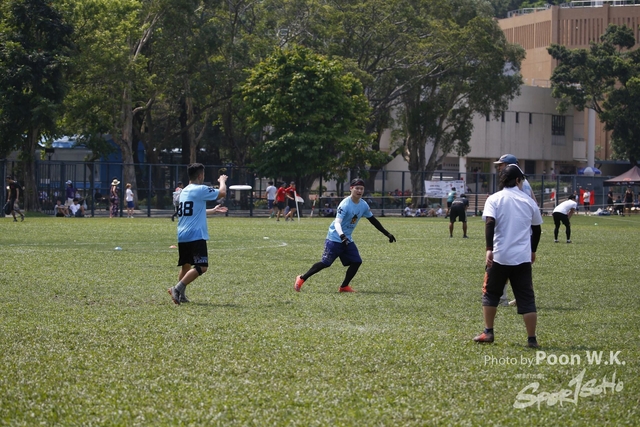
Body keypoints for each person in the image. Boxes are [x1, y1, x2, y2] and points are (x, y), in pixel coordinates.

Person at [474, 164, 543, 348]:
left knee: (490, 293)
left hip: (499, 256)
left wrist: (489, 248)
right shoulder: (529, 201)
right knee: (526, 298)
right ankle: (532, 339)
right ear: (518, 180)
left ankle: (488, 332)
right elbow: (537, 229)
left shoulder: (494, 199)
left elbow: (490, 222)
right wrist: (532, 250)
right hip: (522, 258)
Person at [294, 178, 396, 293]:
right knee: (325, 263)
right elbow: (337, 223)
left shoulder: (363, 205)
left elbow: (373, 220)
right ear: (351, 189)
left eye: (361, 189)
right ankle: (301, 278)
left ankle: (344, 287)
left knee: (356, 261)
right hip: (335, 237)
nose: (359, 191)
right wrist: (342, 236)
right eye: (357, 188)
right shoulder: (345, 204)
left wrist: (387, 233)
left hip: (347, 239)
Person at [168, 163, 227, 305]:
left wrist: (212, 211)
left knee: (186, 266)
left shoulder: (184, 191)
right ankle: (177, 288)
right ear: (200, 176)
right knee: (202, 267)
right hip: (195, 234)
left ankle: (181, 296)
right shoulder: (200, 189)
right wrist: (222, 181)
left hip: (182, 234)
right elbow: (222, 193)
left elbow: (194, 210)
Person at [492, 154, 538, 307]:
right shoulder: (524, 181)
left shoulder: (515, 183)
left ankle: (503, 297)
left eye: (501, 165)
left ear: (510, 166)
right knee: (521, 265)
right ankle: (521, 296)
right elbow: (534, 202)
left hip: (514, 229)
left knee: (505, 262)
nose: (499, 168)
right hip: (522, 230)